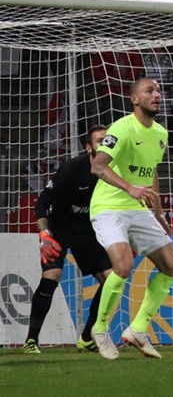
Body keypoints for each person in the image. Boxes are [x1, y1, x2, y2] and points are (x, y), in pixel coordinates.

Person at [89, 78, 173, 360]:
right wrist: (129, 188)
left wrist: (159, 213)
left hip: (138, 208)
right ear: (134, 99)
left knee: (172, 267)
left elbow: (152, 172)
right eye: (149, 90)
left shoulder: (161, 133)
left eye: (158, 91)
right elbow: (97, 166)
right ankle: (99, 329)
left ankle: (138, 329)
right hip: (108, 206)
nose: (157, 95)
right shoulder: (121, 128)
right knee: (123, 266)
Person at [23, 126, 112, 354]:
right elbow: (42, 203)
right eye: (100, 141)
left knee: (112, 280)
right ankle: (31, 340)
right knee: (51, 276)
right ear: (89, 148)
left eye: (109, 140)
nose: (106, 144)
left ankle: (87, 336)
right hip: (59, 230)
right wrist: (45, 235)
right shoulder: (71, 170)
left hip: (88, 232)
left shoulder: (115, 170)